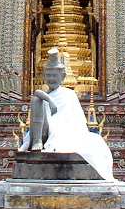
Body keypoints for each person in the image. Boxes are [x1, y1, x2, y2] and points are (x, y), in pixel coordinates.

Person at [18, 48, 114, 181]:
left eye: (55, 76)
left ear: (62, 77)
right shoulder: (44, 94)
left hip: (61, 132)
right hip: (42, 131)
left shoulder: (69, 95)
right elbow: (37, 94)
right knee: (36, 99)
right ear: (44, 76)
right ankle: (37, 141)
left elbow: (71, 121)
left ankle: (42, 142)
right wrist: (49, 99)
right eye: (48, 75)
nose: (51, 79)